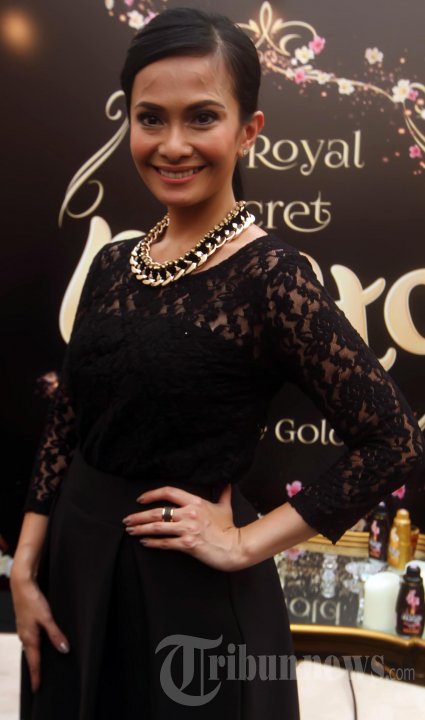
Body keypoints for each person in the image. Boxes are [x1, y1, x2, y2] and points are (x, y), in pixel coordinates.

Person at [11, 7, 424, 720]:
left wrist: (244, 543)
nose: (172, 145)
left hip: (184, 596)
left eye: (201, 117)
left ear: (247, 130)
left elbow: (393, 440)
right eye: (150, 119)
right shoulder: (114, 262)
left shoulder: (271, 277)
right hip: (73, 567)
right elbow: (69, 417)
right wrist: (25, 565)